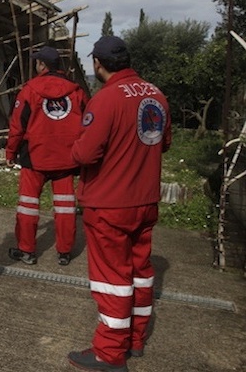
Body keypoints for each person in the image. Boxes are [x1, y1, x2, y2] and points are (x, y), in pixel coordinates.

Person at [65, 35, 171, 372]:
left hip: (110, 204)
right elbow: (162, 143)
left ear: (98, 63)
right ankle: (135, 340)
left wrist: (74, 148)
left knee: (112, 280)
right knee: (140, 272)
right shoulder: (156, 95)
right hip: (146, 200)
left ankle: (109, 354)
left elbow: (85, 153)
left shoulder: (106, 99)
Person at [5, 46, 88, 266]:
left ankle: (27, 251)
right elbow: (87, 126)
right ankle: (64, 252)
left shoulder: (30, 90)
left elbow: (17, 125)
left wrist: (11, 151)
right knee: (65, 207)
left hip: (35, 158)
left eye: (37, 62)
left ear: (42, 65)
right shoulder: (76, 91)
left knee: (28, 205)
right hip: (66, 159)